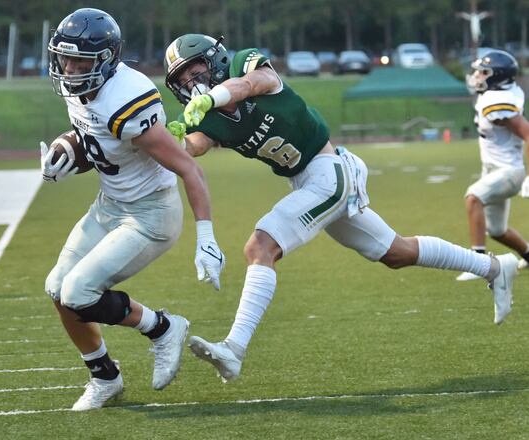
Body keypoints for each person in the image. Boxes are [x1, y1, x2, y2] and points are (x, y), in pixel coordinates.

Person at [162, 34, 519, 383]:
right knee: (396, 252)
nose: (191, 82)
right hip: (305, 181)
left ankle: (234, 349)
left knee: (260, 246)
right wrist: (173, 140)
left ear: (215, 60)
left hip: (327, 171)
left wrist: (213, 97)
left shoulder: (244, 65)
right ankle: (493, 268)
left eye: (195, 70)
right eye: (182, 79)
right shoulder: (205, 115)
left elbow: (253, 83)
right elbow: (196, 144)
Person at [42, 9, 225, 411]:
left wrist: (206, 236)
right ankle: (104, 377)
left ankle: (162, 328)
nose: (69, 69)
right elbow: (97, 140)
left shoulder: (127, 99)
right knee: (57, 288)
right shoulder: (82, 88)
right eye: (65, 59)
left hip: (150, 214)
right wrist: (66, 151)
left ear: (106, 60)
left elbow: (188, 167)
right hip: (110, 205)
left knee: (78, 292)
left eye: (80, 62)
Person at [456, 50, 529, 280]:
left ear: (498, 76)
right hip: (494, 169)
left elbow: (528, 134)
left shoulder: (497, 101)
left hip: (509, 171)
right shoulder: (495, 94)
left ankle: (478, 263)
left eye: (483, 72)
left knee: (473, 198)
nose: (477, 76)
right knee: (496, 230)